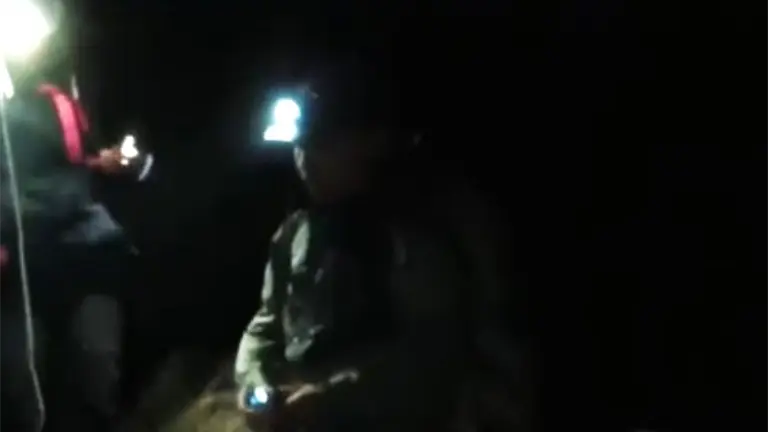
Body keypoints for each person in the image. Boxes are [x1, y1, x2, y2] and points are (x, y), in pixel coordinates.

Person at [234, 59, 531, 432]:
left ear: (372, 142)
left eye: (322, 145)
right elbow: (264, 325)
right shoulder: (295, 234)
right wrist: (254, 386)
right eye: (299, 146)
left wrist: (327, 400)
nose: (305, 160)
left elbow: (437, 355)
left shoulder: (425, 226)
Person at [0, 2, 136, 431]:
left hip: (82, 255)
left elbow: (76, 164)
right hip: (19, 275)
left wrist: (106, 163)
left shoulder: (57, 103)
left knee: (98, 368)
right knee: (24, 387)